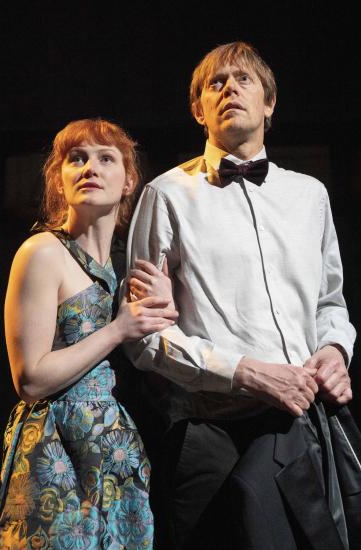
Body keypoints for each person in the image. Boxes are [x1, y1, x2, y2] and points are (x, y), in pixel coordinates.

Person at [125, 42, 359, 549]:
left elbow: (330, 304)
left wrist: (336, 350)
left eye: (243, 80)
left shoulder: (310, 196)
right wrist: (246, 372)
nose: (229, 88)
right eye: (215, 83)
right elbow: (144, 338)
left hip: (300, 429)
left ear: (270, 103)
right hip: (211, 433)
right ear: (198, 109)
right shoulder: (165, 195)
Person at [0, 118, 178, 549]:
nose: (90, 167)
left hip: (115, 453)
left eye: (105, 158)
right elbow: (30, 379)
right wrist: (119, 329)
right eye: (77, 158)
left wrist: (167, 313)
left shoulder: (123, 271)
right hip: (56, 455)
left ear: (128, 181)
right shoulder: (42, 252)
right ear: (59, 179)